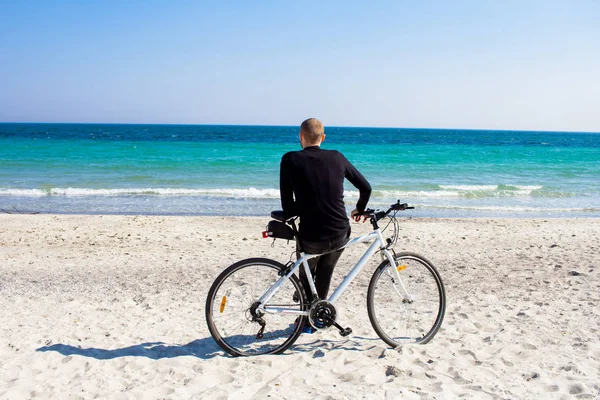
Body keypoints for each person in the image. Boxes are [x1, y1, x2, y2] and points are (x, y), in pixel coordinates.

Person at [280, 118, 371, 332]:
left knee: (307, 272)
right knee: (326, 270)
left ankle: (304, 316)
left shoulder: (290, 159)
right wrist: (359, 208)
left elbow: (288, 207)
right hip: (339, 232)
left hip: (311, 236)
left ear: (300, 137)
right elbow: (365, 188)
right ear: (323, 138)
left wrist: (306, 205)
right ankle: (316, 319)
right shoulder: (337, 157)